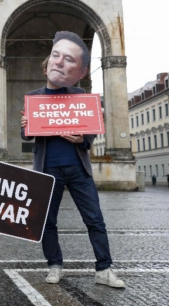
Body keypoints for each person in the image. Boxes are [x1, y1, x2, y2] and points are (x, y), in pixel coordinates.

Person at [20, 31, 125, 288]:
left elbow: (91, 128)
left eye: (66, 60)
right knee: (47, 220)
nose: (57, 64)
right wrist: (25, 125)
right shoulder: (34, 98)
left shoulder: (81, 95)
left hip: (78, 168)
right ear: (46, 69)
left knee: (95, 219)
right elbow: (25, 135)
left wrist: (82, 140)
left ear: (76, 71)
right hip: (48, 168)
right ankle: (54, 266)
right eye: (53, 59)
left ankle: (104, 269)